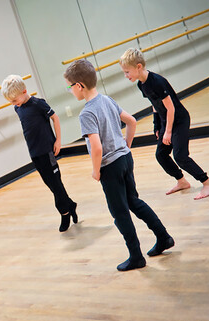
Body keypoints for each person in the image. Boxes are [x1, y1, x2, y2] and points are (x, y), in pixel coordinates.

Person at [64, 59, 174, 271]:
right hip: (125, 159)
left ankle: (136, 256)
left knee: (120, 213)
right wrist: (126, 146)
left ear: (79, 86)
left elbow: (96, 148)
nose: (70, 91)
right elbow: (131, 121)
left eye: (70, 87)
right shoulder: (106, 99)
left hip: (110, 167)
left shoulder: (86, 113)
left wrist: (96, 171)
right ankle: (164, 237)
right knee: (134, 201)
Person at [119, 48, 209, 200]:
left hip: (179, 120)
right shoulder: (141, 84)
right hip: (167, 120)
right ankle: (182, 181)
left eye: (127, 72)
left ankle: (208, 183)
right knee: (161, 155)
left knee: (180, 156)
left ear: (139, 67)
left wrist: (168, 131)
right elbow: (155, 104)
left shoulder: (157, 82)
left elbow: (171, 108)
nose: (126, 76)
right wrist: (157, 126)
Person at [1, 75, 78, 232]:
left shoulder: (38, 104)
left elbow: (55, 118)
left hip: (47, 151)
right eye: (11, 102)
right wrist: (16, 104)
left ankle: (64, 212)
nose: (13, 104)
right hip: (34, 153)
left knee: (56, 183)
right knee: (50, 184)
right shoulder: (18, 108)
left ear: (24, 91)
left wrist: (58, 141)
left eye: (14, 100)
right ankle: (70, 204)